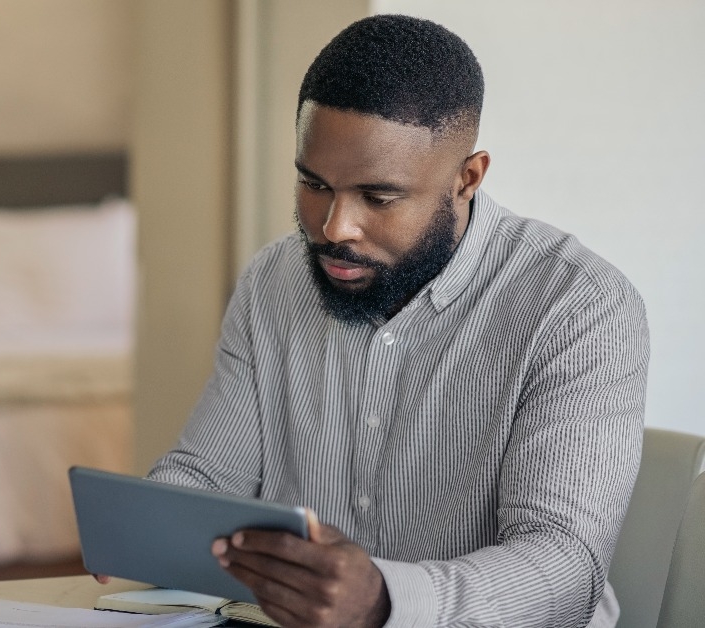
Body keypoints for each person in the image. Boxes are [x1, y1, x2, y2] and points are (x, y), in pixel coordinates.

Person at [140, 14, 649, 628]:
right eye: (313, 183)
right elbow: (207, 473)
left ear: (467, 178)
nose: (334, 228)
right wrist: (142, 526)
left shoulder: (579, 306)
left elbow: (563, 571)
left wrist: (382, 600)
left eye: (378, 198)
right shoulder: (272, 281)